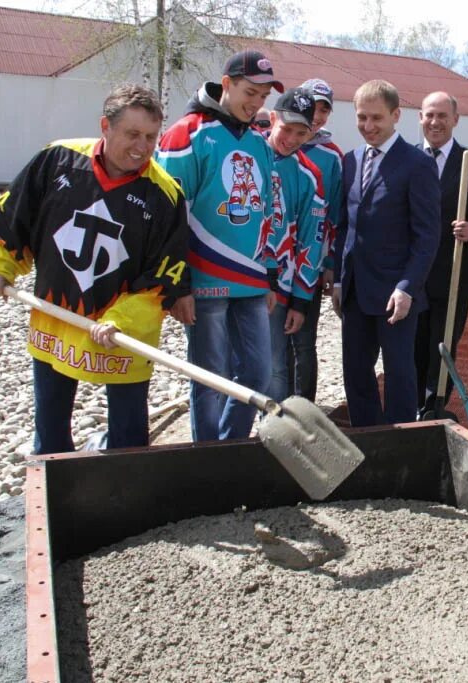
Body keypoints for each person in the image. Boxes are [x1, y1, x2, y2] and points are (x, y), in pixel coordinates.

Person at [0, 84, 189, 454]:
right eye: (132, 134)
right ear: (105, 126)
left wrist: (122, 321)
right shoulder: (56, 160)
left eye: (151, 137)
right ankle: (50, 482)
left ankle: (127, 492)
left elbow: (164, 272)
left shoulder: (165, 195)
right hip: (56, 316)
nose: (142, 147)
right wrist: (0, 265)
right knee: (50, 422)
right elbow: (12, 214)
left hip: (123, 332)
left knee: (128, 433)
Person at [155, 49, 283, 442]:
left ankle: (229, 446)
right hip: (203, 280)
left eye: (263, 97)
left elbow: (267, 214)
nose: (256, 103)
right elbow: (166, 218)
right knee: (210, 378)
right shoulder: (186, 133)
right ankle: (206, 457)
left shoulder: (260, 144)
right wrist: (176, 287)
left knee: (259, 373)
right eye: (250, 92)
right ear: (226, 84)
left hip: (250, 280)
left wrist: (272, 276)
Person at [332, 79, 440, 426]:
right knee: (356, 373)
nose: (368, 126)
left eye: (376, 118)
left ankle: (401, 441)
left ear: (396, 115)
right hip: (354, 291)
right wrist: (337, 280)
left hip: (396, 295)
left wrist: (408, 286)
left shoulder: (417, 164)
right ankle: (367, 439)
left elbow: (426, 236)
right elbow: (345, 226)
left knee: (399, 374)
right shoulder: (349, 161)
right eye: (361, 118)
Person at [414, 91, 468, 415]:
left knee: (444, 343)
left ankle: (436, 403)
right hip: (414, 275)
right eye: (429, 115)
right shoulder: (408, 159)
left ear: (455, 120)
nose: (435, 122)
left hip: (453, 273)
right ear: (420, 118)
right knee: (413, 346)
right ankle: (414, 401)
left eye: (442, 116)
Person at [263, 87, 327, 402]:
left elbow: (311, 243)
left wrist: (301, 302)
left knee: (276, 364)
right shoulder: (244, 154)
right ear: (272, 118)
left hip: (279, 290)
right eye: (286, 129)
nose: (291, 138)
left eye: (301, 132)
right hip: (233, 279)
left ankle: (271, 436)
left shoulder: (309, 175)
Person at [292, 77, 344, 402]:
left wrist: (329, 264)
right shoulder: (277, 142)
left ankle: (303, 409)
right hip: (272, 264)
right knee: (272, 342)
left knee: (303, 341)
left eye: (325, 109)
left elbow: (337, 215)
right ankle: (275, 409)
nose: (318, 115)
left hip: (309, 265)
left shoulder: (331, 156)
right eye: (313, 105)